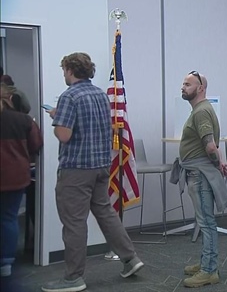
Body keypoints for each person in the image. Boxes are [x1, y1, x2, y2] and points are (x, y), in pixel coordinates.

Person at [42, 52, 144, 292]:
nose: (64, 74)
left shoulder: (69, 96)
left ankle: (73, 278)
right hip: (100, 167)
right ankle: (131, 258)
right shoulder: (100, 94)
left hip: (76, 170)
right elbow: (105, 127)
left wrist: (56, 120)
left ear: (69, 69)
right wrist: (62, 115)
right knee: (107, 214)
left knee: (74, 223)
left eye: (64, 70)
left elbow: (64, 135)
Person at [172, 71, 227, 288]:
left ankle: (209, 270)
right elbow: (212, 144)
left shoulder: (201, 112)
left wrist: (217, 163)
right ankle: (207, 262)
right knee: (205, 221)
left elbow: (209, 145)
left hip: (200, 175)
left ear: (201, 88)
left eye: (188, 84)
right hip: (199, 172)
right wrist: (220, 162)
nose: (183, 87)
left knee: (206, 222)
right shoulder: (202, 110)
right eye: (183, 83)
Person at [0, 83, 42, 282]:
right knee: (9, 218)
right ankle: (6, 264)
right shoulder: (24, 120)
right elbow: (37, 145)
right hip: (15, 177)